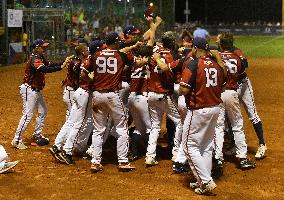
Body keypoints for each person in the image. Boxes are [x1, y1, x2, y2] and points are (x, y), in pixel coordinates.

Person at [179, 37, 226, 195]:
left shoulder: (193, 64)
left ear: (195, 48)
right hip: (214, 109)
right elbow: (223, 84)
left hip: (199, 110)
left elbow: (184, 90)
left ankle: (206, 181)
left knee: (188, 146)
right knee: (205, 146)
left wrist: (179, 87)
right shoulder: (217, 65)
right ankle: (203, 180)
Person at [90, 32, 140, 173]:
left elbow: (84, 74)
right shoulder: (121, 55)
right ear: (115, 42)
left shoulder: (96, 55)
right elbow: (136, 62)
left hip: (97, 94)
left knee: (98, 130)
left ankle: (95, 162)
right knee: (122, 128)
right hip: (112, 95)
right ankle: (123, 161)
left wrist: (94, 81)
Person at [11, 39, 72, 149]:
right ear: (36, 48)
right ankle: (16, 139)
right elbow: (44, 69)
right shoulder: (34, 58)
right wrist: (61, 67)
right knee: (27, 115)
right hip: (29, 89)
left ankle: (37, 135)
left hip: (35, 90)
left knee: (42, 111)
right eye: (42, 46)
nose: (45, 48)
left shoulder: (40, 57)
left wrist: (64, 61)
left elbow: (50, 64)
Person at [215, 33, 267, 159]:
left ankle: (262, 144)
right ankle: (233, 144)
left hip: (243, 85)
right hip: (231, 87)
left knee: (252, 113)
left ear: (222, 42)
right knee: (228, 117)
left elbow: (244, 65)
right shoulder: (219, 52)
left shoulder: (236, 51)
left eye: (218, 38)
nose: (216, 39)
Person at [214, 32, 256, 178]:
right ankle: (242, 158)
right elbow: (240, 75)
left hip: (218, 94)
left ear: (221, 44)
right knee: (237, 124)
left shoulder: (215, 57)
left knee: (218, 127)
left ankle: (218, 159)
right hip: (232, 92)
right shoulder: (237, 58)